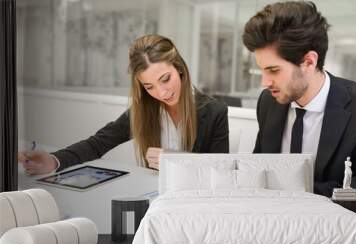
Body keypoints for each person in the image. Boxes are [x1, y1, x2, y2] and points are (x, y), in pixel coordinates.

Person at [242, 1, 356, 225]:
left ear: (309, 61)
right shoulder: (269, 102)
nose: (264, 82)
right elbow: (260, 169)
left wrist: (298, 190)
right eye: (262, 70)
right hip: (268, 233)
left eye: (274, 70)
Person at [18, 34, 229, 174]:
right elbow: (97, 143)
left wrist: (179, 160)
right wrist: (54, 161)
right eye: (149, 86)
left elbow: (222, 170)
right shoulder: (145, 111)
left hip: (196, 202)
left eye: (165, 79)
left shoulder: (214, 111)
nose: (161, 92)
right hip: (155, 201)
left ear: (180, 69)